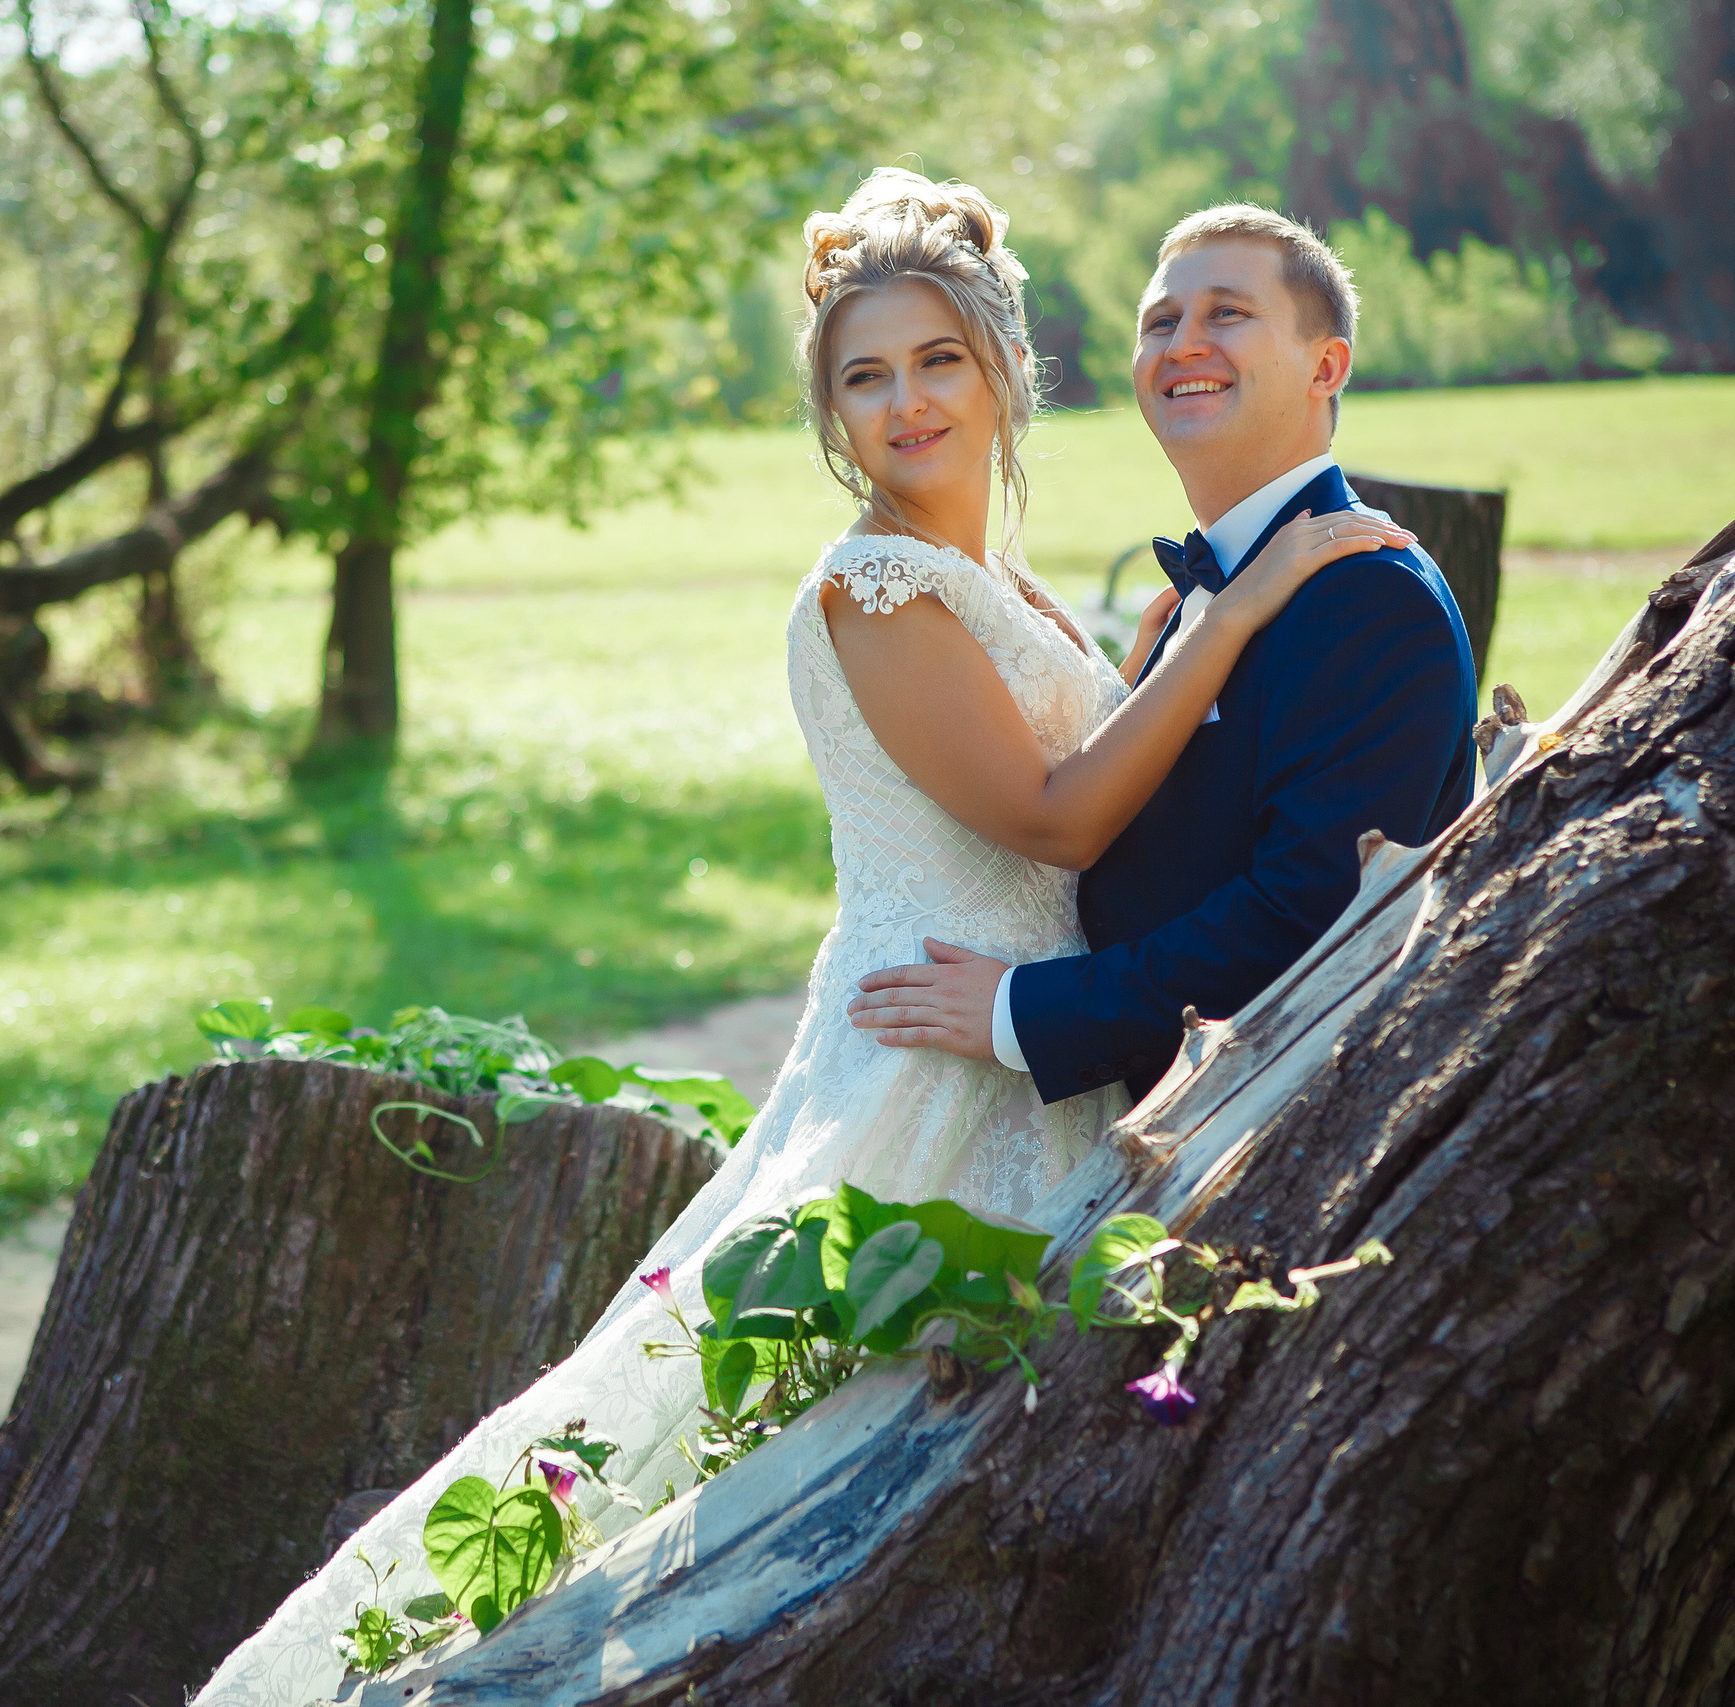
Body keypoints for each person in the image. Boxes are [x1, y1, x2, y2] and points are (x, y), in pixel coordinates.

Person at [189, 174, 1414, 1705]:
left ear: (1001, 369)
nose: (906, 402)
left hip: (1026, 1031)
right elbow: (1054, 819)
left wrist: (1181, 642)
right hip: (932, 1045)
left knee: (952, 1439)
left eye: (936, 361)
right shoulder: (878, 584)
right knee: (762, 1434)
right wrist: (1226, 623)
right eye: (864, 376)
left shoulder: (1001, 583)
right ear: (831, 415)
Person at [845, 203, 1479, 1101]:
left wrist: (1023, 1010)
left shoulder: (1364, 593)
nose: (1184, 343)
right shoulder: (1208, 597)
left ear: (1325, 364)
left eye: (1228, 313)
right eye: (1161, 322)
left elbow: (1308, 912)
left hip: (1276, 1121)